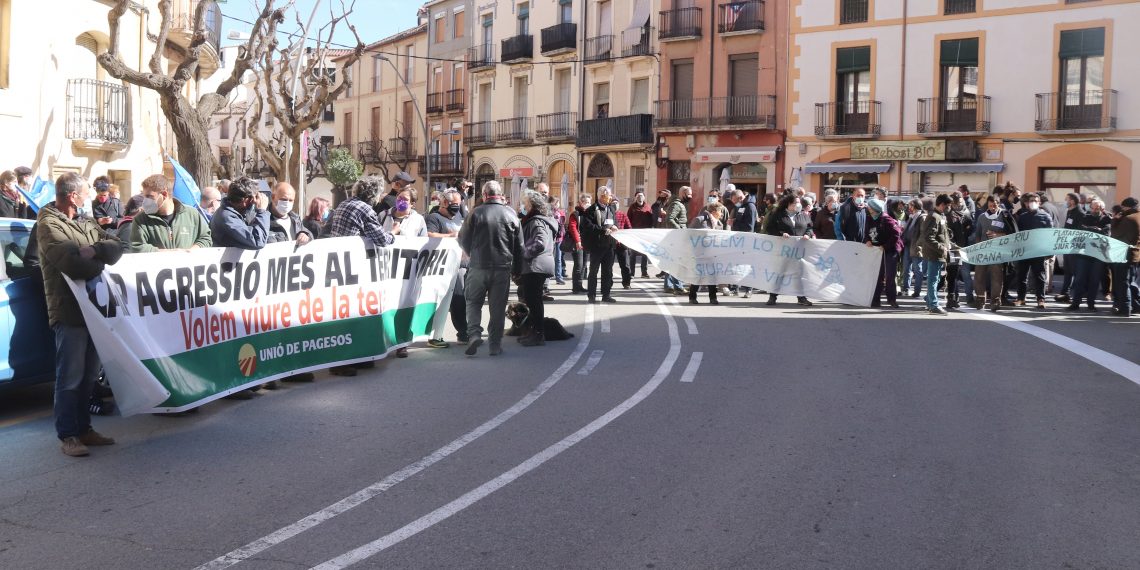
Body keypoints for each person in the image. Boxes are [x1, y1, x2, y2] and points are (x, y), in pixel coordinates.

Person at [36, 173, 123, 456]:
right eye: (85, 192)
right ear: (73, 195)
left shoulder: (84, 221)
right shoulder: (48, 224)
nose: (88, 195)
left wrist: (95, 249)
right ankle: (69, 435)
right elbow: (73, 265)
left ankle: (85, 428)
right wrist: (100, 262)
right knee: (70, 377)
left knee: (88, 377)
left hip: (93, 311)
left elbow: (116, 245)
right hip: (69, 312)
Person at [458, 180, 522, 357]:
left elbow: (462, 238)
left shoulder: (476, 213)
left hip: (478, 266)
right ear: (500, 195)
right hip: (502, 267)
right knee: (497, 307)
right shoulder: (511, 214)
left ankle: (474, 334)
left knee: (473, 302)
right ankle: (494, 345)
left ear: (485, 195)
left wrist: (472, 252)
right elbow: (520, 246)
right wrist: (517, 270)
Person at [425, 189, 468, 346]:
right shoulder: (434, 218)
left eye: (459, 204)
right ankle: (462, 332)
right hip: (446, 269)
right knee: (457, 301)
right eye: (454, 204)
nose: (457, 207)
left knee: (465, 300)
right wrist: (450, 236)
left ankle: (466, 330)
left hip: (464, 264)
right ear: (444, 202)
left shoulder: (458, 218)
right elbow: (429, 236)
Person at [130, 174, 212, 252]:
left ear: (164, 194)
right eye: (144, 196)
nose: (145, 201)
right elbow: (137, 247)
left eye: (149, 196)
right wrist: (170, 253)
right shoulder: (141, 220)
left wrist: (191, 251)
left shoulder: (191, 214)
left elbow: (205, 238)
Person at [516, 190, 557, 346]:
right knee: (532, 300)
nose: (523, 207)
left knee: (534, 301)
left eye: (525, 204)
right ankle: (534, 332)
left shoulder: (536, 221)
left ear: (532, 205)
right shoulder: (536, 219)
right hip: (536, 265)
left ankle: (538, 334)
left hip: (535, 265)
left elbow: (540, 242)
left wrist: (524, 254)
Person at [764, 194, 814, 307]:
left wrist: (807, 234)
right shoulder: (778, 215)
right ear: (788, 204)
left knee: (799, 274)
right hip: (783, 250)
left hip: (799, 250)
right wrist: (781, 233)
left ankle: (801, 298)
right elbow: (770, 228)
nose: (798, 205)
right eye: (795, 203)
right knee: (780, 273)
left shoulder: (803, 215)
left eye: (799, 202)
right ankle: (773, 296)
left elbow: (810, 227)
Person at [971, 195, 1016, 311]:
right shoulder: (982, 217)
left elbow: (1013, 234)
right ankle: (980, 299)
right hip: (983, 251)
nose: (993, 208)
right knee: (979, 275)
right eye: (990, 205)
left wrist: (998, 235)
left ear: (999, 203)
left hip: (998, 251)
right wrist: (976, 249)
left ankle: (995, 300)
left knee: (997, 276)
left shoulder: (1005, 215)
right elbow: (977, 235)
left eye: (995, 205)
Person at [1068, 198, 1111, 311]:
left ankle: (1091, 304)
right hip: (1083, 254)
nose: (1095, 209)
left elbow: (1106, 232)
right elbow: (1080, 229)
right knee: (1079, 279)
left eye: (1098, 207)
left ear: (1102, 208)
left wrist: (1091, 230)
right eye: (1093, 207)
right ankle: (1075, 303)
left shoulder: (1107, 219)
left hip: (1098, 255)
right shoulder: (1084, 217)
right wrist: (1096, 229)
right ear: (1090, 207)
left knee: (1094, 280)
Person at [579, 186, 620, 303]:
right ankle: (591, 295)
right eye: (608, 196)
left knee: (607, 271)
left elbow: (614, 221)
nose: (610, 198)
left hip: (609, 245)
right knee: (593, 271)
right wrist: (602, 230)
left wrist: (615, 226)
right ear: (602, 196)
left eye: (610, 196)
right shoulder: (591, 209)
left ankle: (606, 295)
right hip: (597, 246)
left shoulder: (611, 209)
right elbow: (588, 226)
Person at [1013, 192, 1054, 309]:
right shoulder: (1022, 217)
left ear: (1039, 203)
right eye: (1031, 201)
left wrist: (1049, 252)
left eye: (1035, 201)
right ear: (1026, 203)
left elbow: (1050, 235)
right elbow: (1018, 234)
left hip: (1038, 251)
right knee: (1021, 275)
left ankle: (1041, 299)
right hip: (1025, 251)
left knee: (1039, 276)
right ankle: (1021, 298)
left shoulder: (1045, 217)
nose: (1033, 203)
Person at [211, 177, 271, 250]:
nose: (255, 201)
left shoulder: (234, 212)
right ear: (245, 200)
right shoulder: (227, 218)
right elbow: (257, 241)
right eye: (254, 198)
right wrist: (262, 211)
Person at [865, 198, 902, 308]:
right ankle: (875, 300)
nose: (868, 208)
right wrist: (867, 240)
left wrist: (885, 246)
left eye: (870, 207)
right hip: (877, 251)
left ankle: (892, 300)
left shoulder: (887, 219)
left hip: (890, 250)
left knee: (890, 276)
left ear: (875, 209)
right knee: (878, 275)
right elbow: (866, 231)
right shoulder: (869, 218)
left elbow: (896, 235)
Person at [920, 194, 953, 315]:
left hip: (939, 253)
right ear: (942, 204)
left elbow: (942, 235)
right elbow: (928, 237)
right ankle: (933, 305)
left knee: (936, 279)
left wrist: (950, 245)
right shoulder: (933, 217)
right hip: (934, 254)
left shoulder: (940, 216)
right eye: (948, 206)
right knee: (933, 280)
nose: (949, 208)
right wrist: (942, 248)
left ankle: (930, 301)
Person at [687, 202, 723, 305]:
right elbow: (689, 234)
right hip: (699, 253)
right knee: (699, 275)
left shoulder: (719, 224)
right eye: (720, 211)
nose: (722, 214)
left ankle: (713, 297)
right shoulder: (700, 220)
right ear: (714, 211)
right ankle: (692, 296)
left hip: (712, 254)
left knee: (712, 275)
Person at [1109, 197, 1140, 317]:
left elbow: (1116, 233)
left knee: (1123, 282)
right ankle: (1136, 306)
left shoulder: (1128, 219)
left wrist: (1115, 220)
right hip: (1136, 255)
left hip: (1125, 254)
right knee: (1131, 282)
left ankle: (1125, 308)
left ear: (1126, 207)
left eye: (1123, 207)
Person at [944, 193, 974, 309]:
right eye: (957, 203)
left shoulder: (967, 213)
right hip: (953, 248)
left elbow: (971, 227)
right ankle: (953, 297)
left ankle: (969, 298)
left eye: (961, 202)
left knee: (965, 274)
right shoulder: (948, 214)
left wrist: (968, 230)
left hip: (964, 247)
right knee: (953, 274)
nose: (959, 205)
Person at [1055, 192, 1086, 304]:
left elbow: (1079, 231)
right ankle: (1065, 293)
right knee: (1067, 271)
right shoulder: (1070, 211)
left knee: (1076, 272)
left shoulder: (1080, 213)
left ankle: (1078, 296)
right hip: (1067, 246)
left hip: (1074, 248)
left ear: (1072, 201)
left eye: (1067, 199)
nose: (1065, 201)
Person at [661, 186, 691, 294]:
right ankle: (677, 287)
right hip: (677, 237)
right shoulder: (677, 205)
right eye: (689, 194)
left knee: (673, 262)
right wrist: (679, 230)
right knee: (677, 262)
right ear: (683, 193)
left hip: (677, 236)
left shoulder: (679, 204)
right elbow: (669, 219)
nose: (690, 196)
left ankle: (669, 286)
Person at [730, 189, 760, 298]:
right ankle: (735, 288)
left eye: (734, 201)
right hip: (739, 241)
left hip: (747, 241)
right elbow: (740, 220)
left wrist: (735, 224)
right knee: (737, 265)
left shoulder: (750, 207)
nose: (734, 203)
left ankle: (749, 289)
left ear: (740, 198)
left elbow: (749, 226)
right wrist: (734, 222)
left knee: (747, 266)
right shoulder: (741, 206)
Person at [567, 193, 592, 294]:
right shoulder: (575, 214)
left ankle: (580, 285)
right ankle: (576, 287)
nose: (587, 204)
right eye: (585, 202)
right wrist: (578, 241)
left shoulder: (591, 213)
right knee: (578, 265)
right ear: (580, 203)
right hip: (578, 243)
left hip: (587, 243)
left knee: (584, 265)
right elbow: (572, 228)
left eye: (589, 202)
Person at [902, 199, 927, 298]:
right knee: (906, 268)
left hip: (916, 247)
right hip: (908, 245)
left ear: (916, 206)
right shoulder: (912, 216)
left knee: (917, 270)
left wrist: (918, 245)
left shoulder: (922, 217)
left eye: (911, 206)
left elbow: (923, 234)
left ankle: (917, 290)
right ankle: (906, 288)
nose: (909, 207)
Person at [626, 191, 654, 278]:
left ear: (644, 197)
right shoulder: (632, 207)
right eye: (638, 196)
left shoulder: (648, 207)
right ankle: (632, 272)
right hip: (634, 233)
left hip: (645, 234)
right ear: (635, 197)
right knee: (633, 254)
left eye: (641, 196)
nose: (640, 197)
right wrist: (629, 230)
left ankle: (644, 272)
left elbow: (652, 219)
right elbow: (628, 219)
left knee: (645, 253)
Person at [549, 194, 568, 285]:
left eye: (558, 203)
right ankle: (548, 278)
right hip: (551, 238)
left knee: (559, 258)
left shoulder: (560, 212)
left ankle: (559, 277)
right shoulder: (549, 212)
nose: (558, 204)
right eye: (557, 203)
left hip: (559, 238)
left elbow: (563, 224)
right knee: (550, 258)